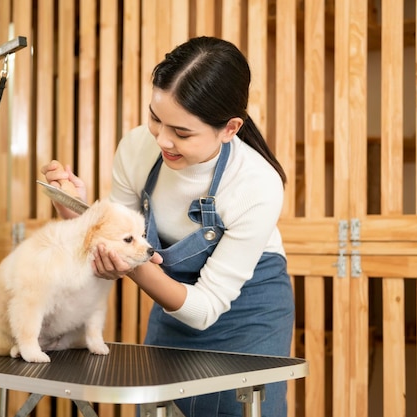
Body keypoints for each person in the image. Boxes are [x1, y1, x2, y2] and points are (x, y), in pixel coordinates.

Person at [42, 36, 294, 417]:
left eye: (182, 132)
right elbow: (118, 239)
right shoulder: (137, 148)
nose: (162, 139)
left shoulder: (256, 184)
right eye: (155, 118)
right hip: (172, 303)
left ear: (230, 128)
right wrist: (80, 217)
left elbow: (204, 307)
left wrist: (131, 263)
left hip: (247, 312)